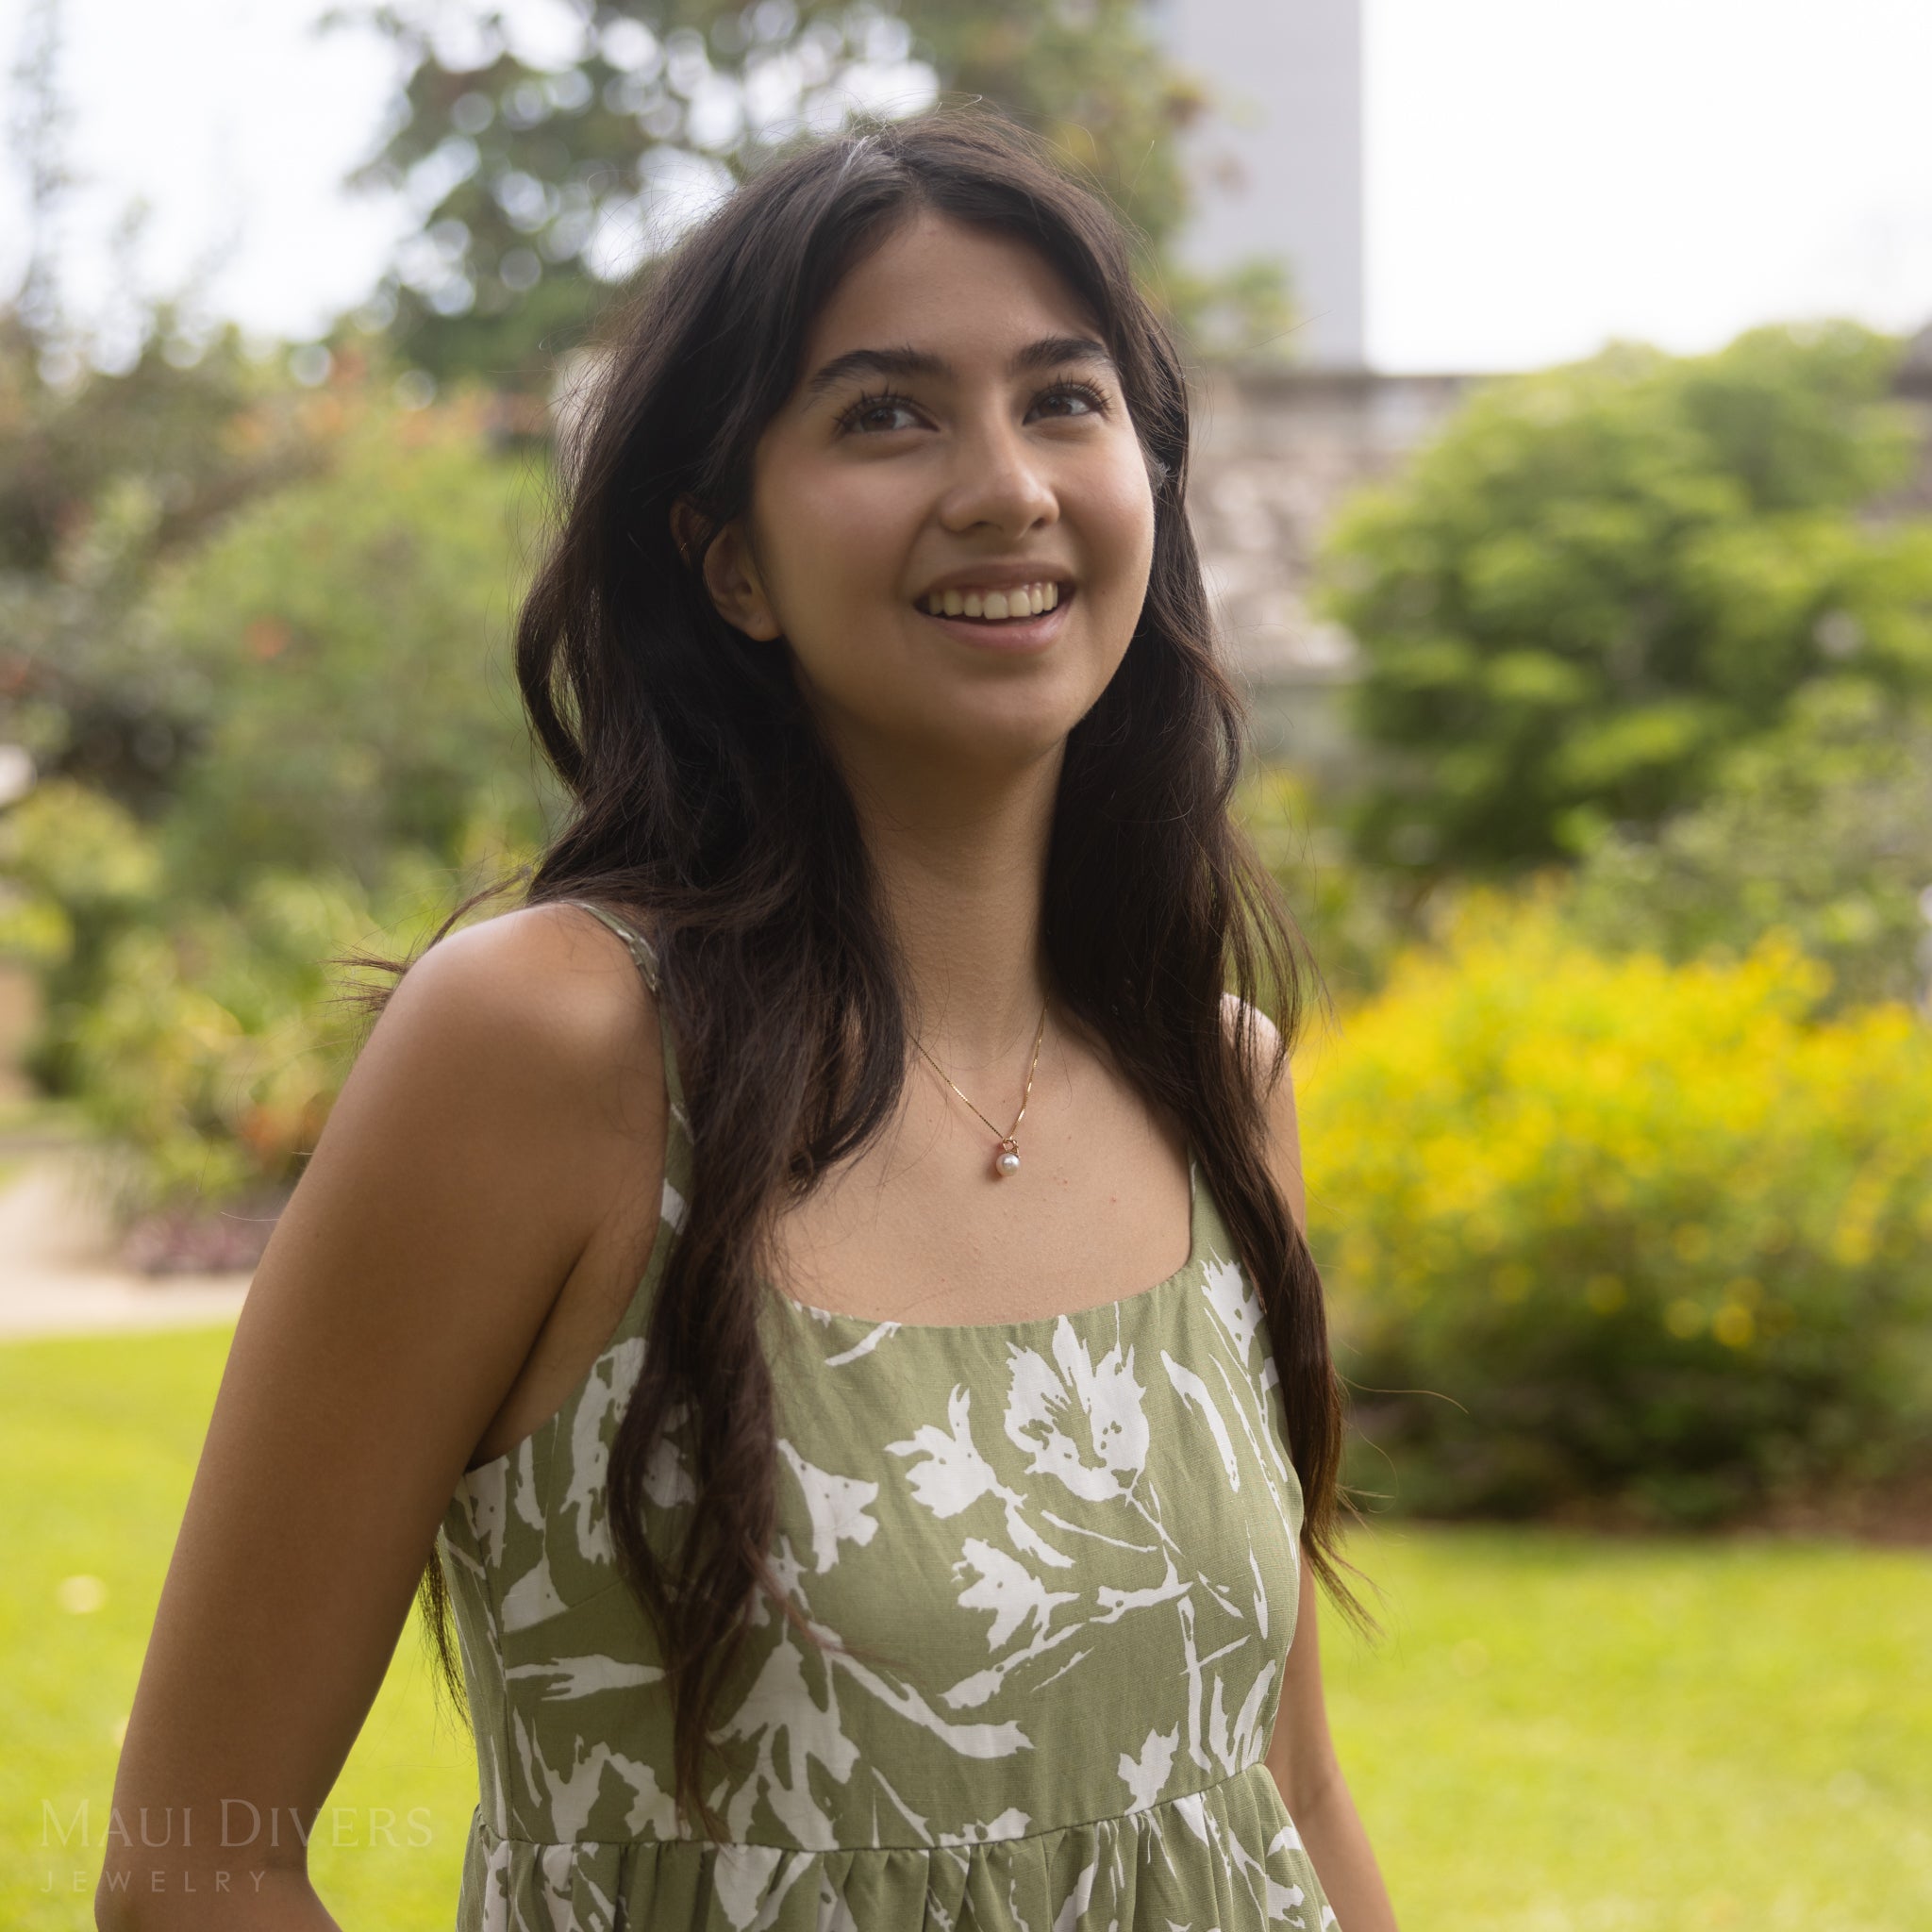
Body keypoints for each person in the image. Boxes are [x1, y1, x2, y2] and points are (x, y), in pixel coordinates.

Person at [99, 111, 1399, 1932]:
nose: (1007, 485)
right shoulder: (550, 1053)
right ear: (730, 560)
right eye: (885, 412)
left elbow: (1288, 1792)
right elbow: (192, 1868)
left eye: (1064, 400)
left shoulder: (1220, 1078)